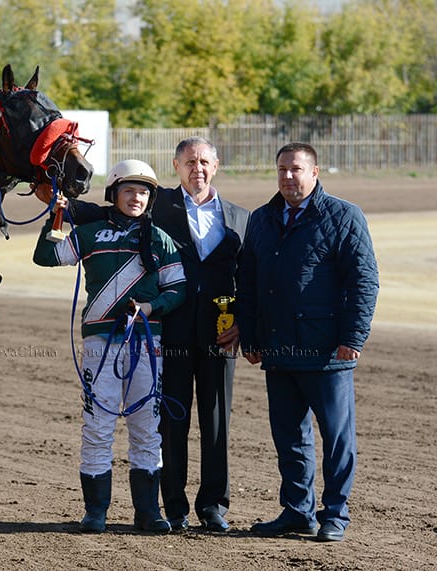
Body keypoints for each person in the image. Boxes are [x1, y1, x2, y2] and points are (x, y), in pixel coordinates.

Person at [41, 137, 249, 533]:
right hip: (163, 336)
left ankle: (212, 505)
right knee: (166, 424)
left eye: (205, 161)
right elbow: (113, 209)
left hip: (219, 335)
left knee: (215, 420)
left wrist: (246, 322)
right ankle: (169, 507)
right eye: (190, 161)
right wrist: (62, 208)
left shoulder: (240, 217)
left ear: (217, 165)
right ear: (176, 166)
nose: (197, 169)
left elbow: (249, 276)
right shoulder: (159, 206)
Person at [33, 159, 186, 534]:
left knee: (147, 428)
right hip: (100, 344)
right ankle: (96, 511)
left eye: (144, 192)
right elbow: (46, 256)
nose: (137, 198)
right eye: (130, 190)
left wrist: (151, 307)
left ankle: (148, 512)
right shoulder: (90, 233)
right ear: (114, 194)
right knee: (97, 426)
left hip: (146, 344)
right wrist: (55, 218)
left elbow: (178, 289)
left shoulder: (161, 239)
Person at [237, 142, 379, 542]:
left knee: (337, 439)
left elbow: (364, 281)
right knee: (290, 438)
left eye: (295, 169)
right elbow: (247, 282)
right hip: (279, 349)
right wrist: (250, 335)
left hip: (328, 351)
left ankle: (335, 514)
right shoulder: (262, 219)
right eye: (281, 169)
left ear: (314, 173)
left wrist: (352, 337)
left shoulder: (344, 216)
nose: (287, 176)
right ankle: (297, 511)